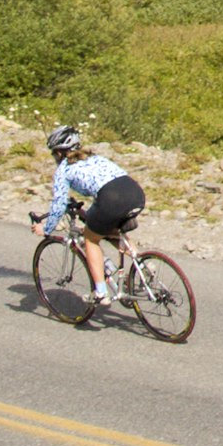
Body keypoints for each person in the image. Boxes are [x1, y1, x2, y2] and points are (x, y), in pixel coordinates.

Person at [31, 123, 144, 308]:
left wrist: (46, 228)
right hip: (134, 192)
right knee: (108, 229)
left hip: (111, 199)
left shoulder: (64, 170)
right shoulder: (95, 158)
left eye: (54, 153)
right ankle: (143, 266)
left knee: (90, 239)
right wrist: (87, 214)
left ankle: (100, 292)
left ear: (59, 152)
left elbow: (59, 205)